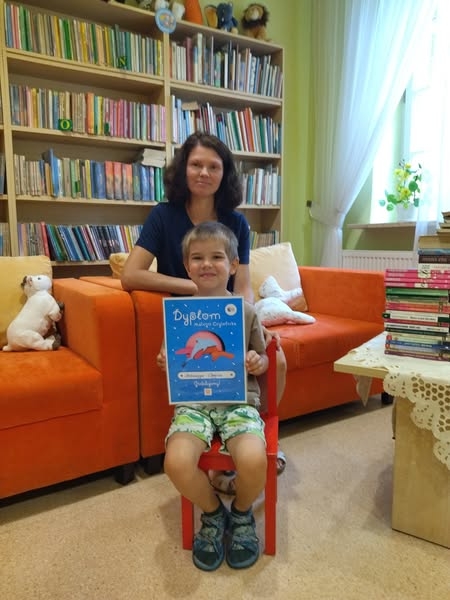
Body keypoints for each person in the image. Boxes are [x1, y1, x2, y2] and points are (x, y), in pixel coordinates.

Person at [121, 131, 287, 490]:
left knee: (276, 356)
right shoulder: (163, 216)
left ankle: (253, 432)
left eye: (214, 166)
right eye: (196, 164)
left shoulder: (236, 222)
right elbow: (130, 275)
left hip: (229, 315)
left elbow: (242, 283)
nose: (204, 173)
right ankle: (212, 442)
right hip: (188, 320)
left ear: (224, 174)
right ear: (183, 169)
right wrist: (191, 287)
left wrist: (250, 320)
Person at [158, 221, 268, 570]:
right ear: (187, 266)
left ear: (233, 265)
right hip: (194, 404)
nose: (207, 264)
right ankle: (213, 512)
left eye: (217, 257)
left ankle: (241, 513)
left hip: (238, 402)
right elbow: (172, 357)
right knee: (176, 462)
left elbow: (263, 356)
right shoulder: (179, 314)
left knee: (253, 460)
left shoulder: (246, 311)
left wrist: (257, 361)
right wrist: (165, 361)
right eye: (197, 258)